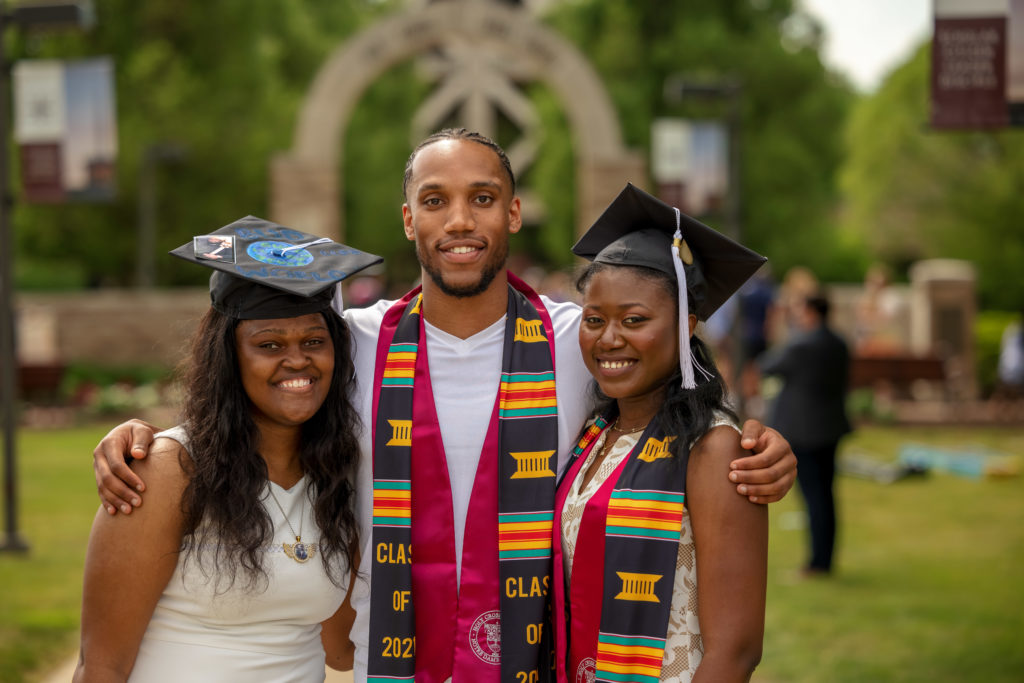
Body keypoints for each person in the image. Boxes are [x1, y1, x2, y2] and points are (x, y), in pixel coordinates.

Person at [91, 129, 798, 682]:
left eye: (483, 198)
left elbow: (661, 400)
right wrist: (142, 439)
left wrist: (760, 444)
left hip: (530, 662)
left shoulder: (571, 337)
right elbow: (256, 392)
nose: (460, 220)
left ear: (513, 211)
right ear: (408, 219)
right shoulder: (352, 344)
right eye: (435, 200)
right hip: (386, 663)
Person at [74, 217, 383, 681]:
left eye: (314, 341)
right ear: (229, 357)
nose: (297, 359)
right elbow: (101, 668)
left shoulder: (336, 477)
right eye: (269, 344)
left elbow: (342, 649)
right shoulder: (166, 473)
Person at [552, 184, 768, 682]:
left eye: (634, 320)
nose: (609, 338)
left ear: (686, 325)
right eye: (594, 320)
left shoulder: (714, 448)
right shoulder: (593, 434)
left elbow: (735, 652)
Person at [760, 292, 851, 576]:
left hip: (805, 431)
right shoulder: (839, 343)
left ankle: (817, 564)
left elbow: (767, 365)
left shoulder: (802, 343)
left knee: (814, 498)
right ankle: (825, 559)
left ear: (810, 313)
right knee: (826, 495)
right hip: (831, 427)